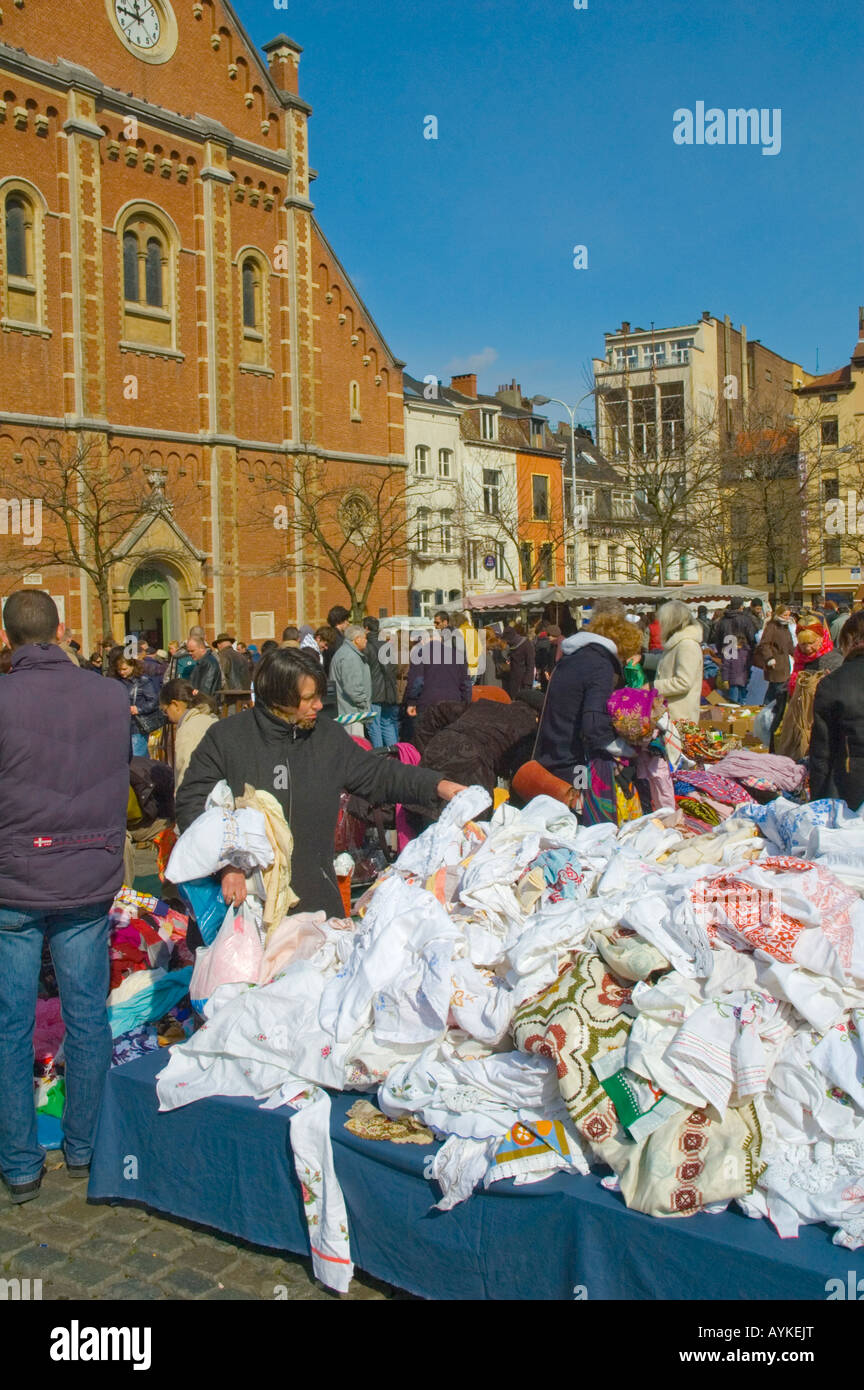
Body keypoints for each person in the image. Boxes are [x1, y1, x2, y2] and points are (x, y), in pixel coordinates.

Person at [0, 590, 129, 1202]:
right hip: (86, 872)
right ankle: (86, 1145)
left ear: (9, 639)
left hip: (16, 880)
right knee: (86, 1016)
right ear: (59, 630)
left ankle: (21, 1163)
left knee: (10, 1024)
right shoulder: (110, 695)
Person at [175, 648, 467, 917]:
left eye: (318, 694)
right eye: (307, 698)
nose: (318, 704)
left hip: (315, 903)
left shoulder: (327, 738)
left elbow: (379, 774)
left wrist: (438, 786)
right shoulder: (227, 738)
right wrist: (226, 864)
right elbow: (192, 803)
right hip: (242, 906)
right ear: (278, 698)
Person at [534, 610, 643, 822]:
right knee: (585, 822)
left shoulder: (572, 658)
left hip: (552, 754)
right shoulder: (601, 665)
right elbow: (593, 724)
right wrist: (625, 750)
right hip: (575, 762)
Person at [810, 611, 864, 809]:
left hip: (850, 789)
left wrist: (817, 804)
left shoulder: (832, 683)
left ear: (850, 640)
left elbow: (821, 754)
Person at [159, 678, 219, 789]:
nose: (167, 716)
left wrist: (181, 802)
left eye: (165, 710)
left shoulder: (188, 731)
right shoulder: (211, 719)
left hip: (198, 798)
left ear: (175, 705)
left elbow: (186, 773)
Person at [653, 600, 705, 722]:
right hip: (671, 713)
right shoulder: (678, 642)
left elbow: (683, 682)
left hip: (680, 715)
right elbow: (668, 662)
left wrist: (653, 686)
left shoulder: (687, 645)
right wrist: (644, 659)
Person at [406, 620, 472, 714]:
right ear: (440, 639)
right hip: (454, 702)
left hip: (428, 703)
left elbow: (417, 681)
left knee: (427, 728)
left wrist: (411, 702)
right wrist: (466, 702)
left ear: (424, 641)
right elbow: (466, 683)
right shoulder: (458, 655)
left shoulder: (420, 654)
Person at [108, 651, 161, 757]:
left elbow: (154, 701)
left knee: (137, 759)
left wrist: (139, 709)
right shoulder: (115, 681)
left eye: (124, 669)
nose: (121, 672)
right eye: (119, 669)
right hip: (119, 726)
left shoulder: (143, 682)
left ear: (132, 666)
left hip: (136, 727)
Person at [710, 597, 756, 704]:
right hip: (743, 651)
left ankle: (732, 706)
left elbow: (717, 638)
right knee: (741, 683)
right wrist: (750, 651)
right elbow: (752, 637)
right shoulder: (746, 619)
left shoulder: (723, 620)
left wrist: (721, 652)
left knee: (730, 681)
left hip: (727, 650)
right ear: (741, 607)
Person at [363, 616, 400, 747]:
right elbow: (395, 668)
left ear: (366, 629)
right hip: (389, 690)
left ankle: (380, 757)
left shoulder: (366, 646)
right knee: (387, 724)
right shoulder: (387, 646)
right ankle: (396, 755)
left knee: (374, 726)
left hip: (374, 692)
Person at [330, 623, 372, 737]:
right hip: (351, 712)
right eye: (364, 638)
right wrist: (364, 704)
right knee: (355, 747)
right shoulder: (350, 657)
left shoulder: (346, 653)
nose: (366, 641)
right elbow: (353, 688)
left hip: (348, 710)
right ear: (357, 639)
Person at [752, 604, 796, 708]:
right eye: (785, 615)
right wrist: (769, 658)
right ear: (779, 614)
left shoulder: (785, 627)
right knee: (779, 688)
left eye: (788, 615)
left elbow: (789, 644)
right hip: (775, 663)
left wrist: (796, 654)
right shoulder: (772, 626)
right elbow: (764, 644)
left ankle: (766, 707)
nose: (787, 617)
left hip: (784, 663)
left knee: (774, 688)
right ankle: (774, 709)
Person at [500, 623, 535, 699]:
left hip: (523, 681)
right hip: (513, 679)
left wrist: (527, 682)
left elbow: (530, 664)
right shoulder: (512, 646)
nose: (507, 643)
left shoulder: (526, 644)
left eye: (507, 640)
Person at [186, 633, 222, 698]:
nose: (190, 653)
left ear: (202, 648)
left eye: (192, 651)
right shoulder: (202, 662)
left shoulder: (209, 663)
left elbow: (206, 689)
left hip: (206, 704)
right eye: (188, 651)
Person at [322, 605, 351, 675]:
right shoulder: (338, 639)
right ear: (340, 621)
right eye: (346, 620)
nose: (348, 623)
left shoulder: (327, 634)